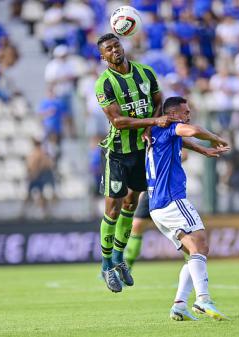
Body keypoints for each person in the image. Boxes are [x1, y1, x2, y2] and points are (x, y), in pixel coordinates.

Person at [94, 33, 179, 292]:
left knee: (131, 204)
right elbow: (118, 121)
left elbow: (157, 101)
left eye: (116, 45)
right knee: (113, 209)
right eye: (108, 49)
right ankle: (106, 264)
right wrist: (153, 123)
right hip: (119, 152)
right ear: (103, 57)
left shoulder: (146, 72)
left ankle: (119, 258)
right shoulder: (104, 84)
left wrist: (149, 128)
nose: (114, 50)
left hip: (143, 150)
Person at [146, 96, 230, 321]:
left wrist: (203, 151)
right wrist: (215, 138)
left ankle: (179, 305)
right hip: (172, 199)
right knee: (201, 244)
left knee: (193, 252)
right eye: (185, 112)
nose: (189, 115)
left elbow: (182, 140)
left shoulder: (154, 133)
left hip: (157, 206)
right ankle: (203, 299)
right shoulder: (170, 127)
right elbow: (192, 131)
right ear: (172, 115)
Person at [124, 150, 188, 268]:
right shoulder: (144, 137)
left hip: (167, 188)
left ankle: (192, 262)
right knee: (137, 225)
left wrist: (163, 164)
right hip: (151, 188)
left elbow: (184, 155)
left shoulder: (169, 132)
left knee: (179, 230)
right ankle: (125, 268)